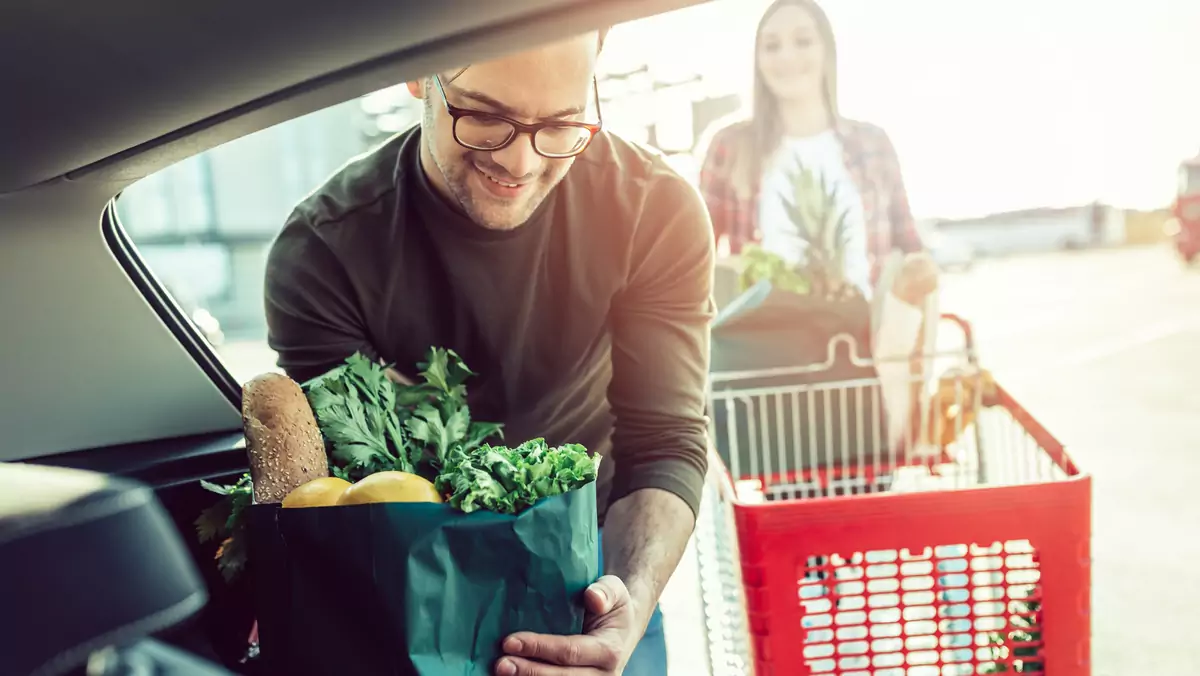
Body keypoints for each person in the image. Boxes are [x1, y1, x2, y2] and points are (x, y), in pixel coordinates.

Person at [262, 29, 713, 676]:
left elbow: (665, 441)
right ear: (417, 74)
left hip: (599, 574)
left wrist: (625, 607)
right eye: (484, 118)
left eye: (560, 125)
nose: (522, 164)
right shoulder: (324, 254)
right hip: (415, 592)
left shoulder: (654, 210)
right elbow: (364, 482)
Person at [697, 0, 937, 304]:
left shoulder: (874, 145)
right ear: (757, 60)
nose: (787, 56)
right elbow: (695, 258)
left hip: (864, 343)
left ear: (827, 51)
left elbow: (911, 253)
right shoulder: (729, 147)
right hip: (764, 345)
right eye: (771, 46)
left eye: (803, 41)